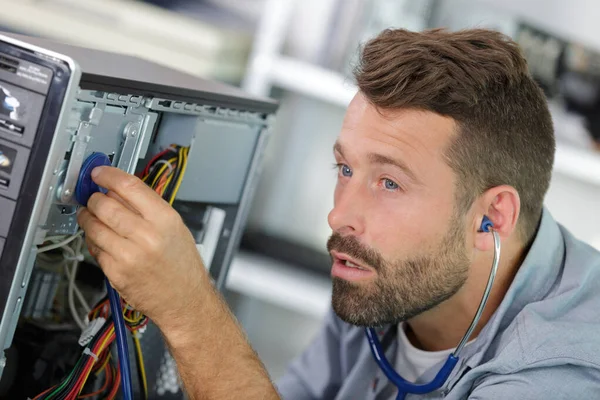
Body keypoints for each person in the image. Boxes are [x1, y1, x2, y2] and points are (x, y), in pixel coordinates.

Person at [76, 28, 600, 399]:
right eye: (344, 169)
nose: (340, 217)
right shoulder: (387, 279)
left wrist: (189, 313)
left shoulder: (562, 374)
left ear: (493, 217)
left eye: (390, 182)